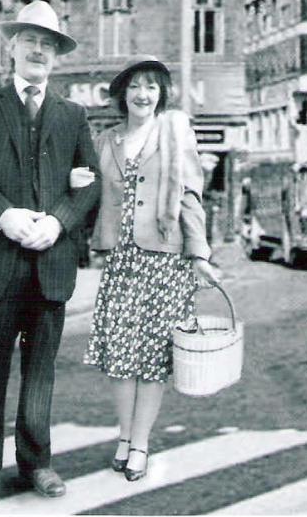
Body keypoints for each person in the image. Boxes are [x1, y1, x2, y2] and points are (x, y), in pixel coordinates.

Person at [0, 0, 101, 508]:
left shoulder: (73, 114)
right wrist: (4, 215)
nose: (39, 50)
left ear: (56, 56)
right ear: (10, 46)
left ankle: (37, 463)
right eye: (30, 40)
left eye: (49, 43)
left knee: (40, 372)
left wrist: (58, 220)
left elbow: (89, 184)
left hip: (50, 266)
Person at [83, 55, 216, 482]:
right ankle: (124, 437)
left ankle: (140, 443)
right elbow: (90, 193)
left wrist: (200, 254)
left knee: (153, 360)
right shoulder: (106, 139)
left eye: (152, 87)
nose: (143, 94)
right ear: (123, 93)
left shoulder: (174, 133)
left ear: (162, 95)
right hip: (120, 260)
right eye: (136, 87)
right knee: (121, 356)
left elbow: (190, 195)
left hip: (165, 258)